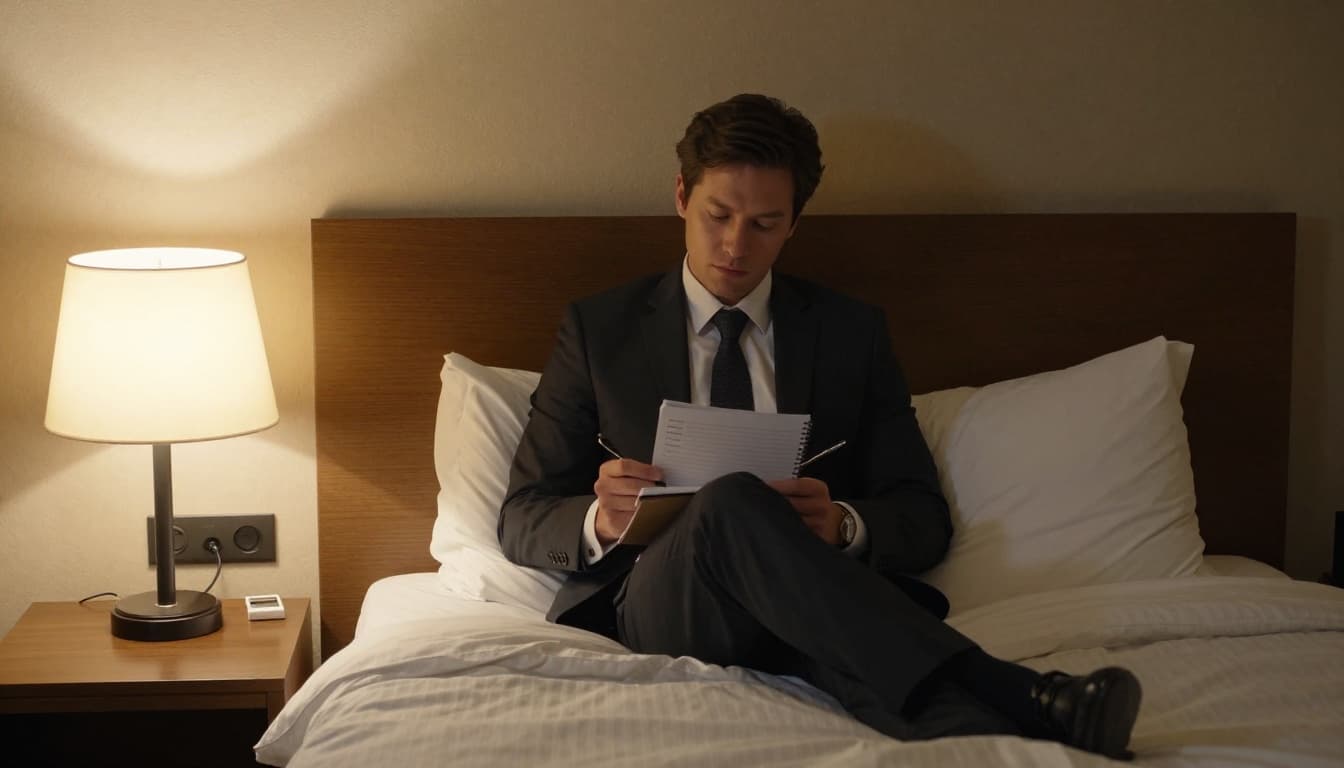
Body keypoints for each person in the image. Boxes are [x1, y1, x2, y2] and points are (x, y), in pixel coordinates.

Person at [499, 93, 1142, 759]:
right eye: (719, 215)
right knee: (731, 499)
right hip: (665, 602)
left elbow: (921, 515)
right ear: (682, 196)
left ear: (794, 225)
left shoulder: (850, 334)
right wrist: (600, 521)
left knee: (851, 653)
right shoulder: (600, 331)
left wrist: (842, 525)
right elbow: (521, 515)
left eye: (765, 223)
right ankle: (1017, 688)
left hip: (804, 602)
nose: (735, 245)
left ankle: (1027, 737)